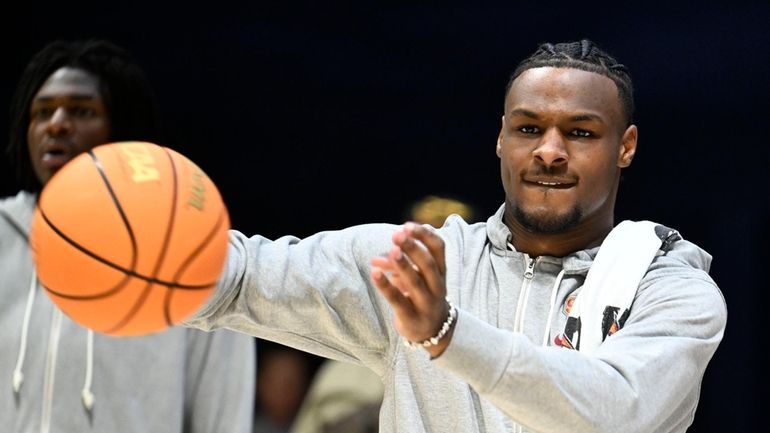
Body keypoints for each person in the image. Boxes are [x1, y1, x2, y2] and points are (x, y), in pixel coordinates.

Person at [187, 38, 726, 433]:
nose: (549, 150)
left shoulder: (671, 291)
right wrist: (121, 245)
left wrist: (447, 334)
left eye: (580, 133)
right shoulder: (419, 263)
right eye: (529, 128)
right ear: (501, 138)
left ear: (625, 146)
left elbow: (614, 412)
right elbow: (240, 278)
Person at [0, 39, 255, 433]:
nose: (57, 124)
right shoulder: (3, 232)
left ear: (122, 129)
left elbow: (224, 410)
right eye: (42, 112)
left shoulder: (184, 245)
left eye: (82, 110)